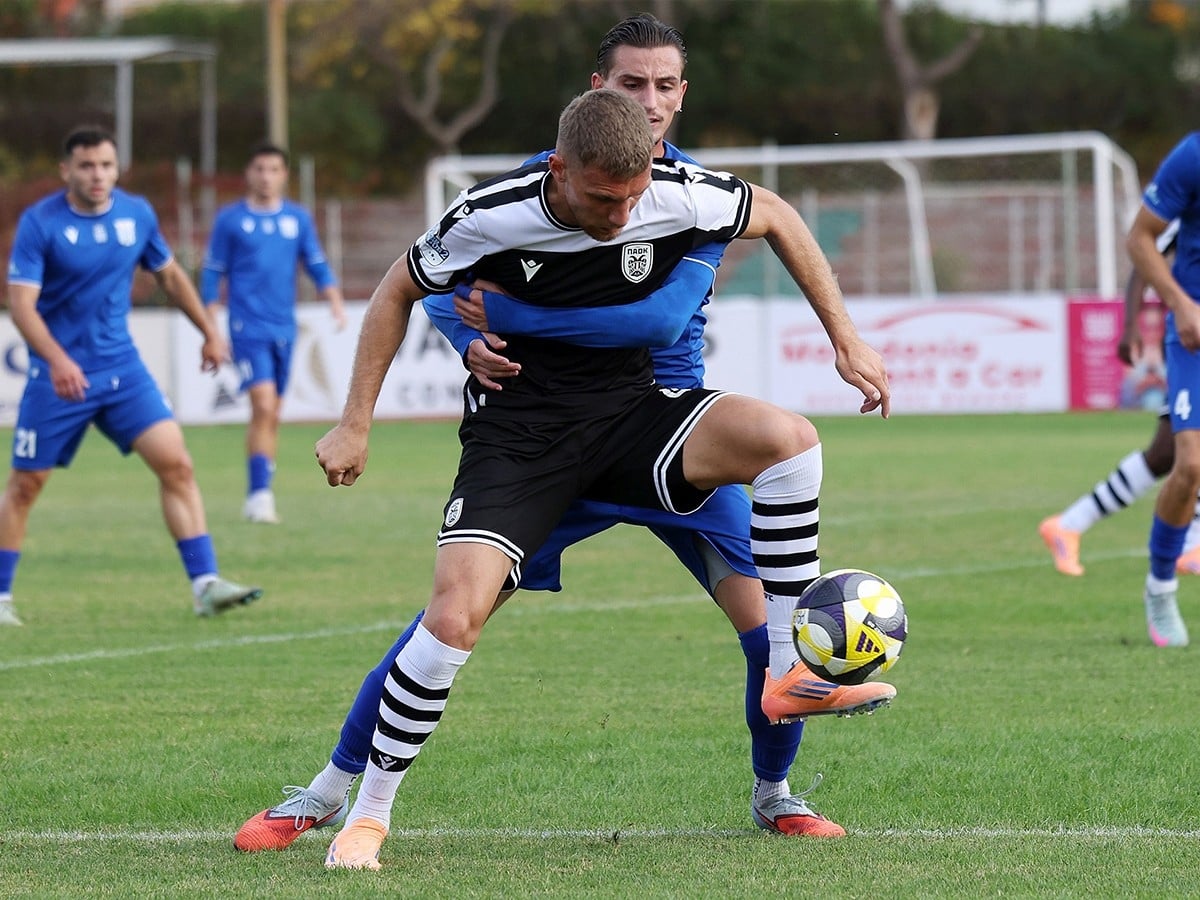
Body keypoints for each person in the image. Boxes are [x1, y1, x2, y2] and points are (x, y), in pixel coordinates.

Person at [232, 14, 892, 852]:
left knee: (765, 622)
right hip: (539, 437)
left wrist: (513, 311)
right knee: (448, 619)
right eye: (630, 85)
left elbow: (656, 317)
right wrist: (465, 335)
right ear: (596, 93)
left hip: (661, 431)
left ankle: (776, 791)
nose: (648, 102)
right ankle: (330, 792)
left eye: (663, 86)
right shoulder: (530, 191)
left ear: (681, 96)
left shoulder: (677, 191)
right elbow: (427, 281)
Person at [0, 126, 263, 627]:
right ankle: (0, 597)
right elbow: (21, 305)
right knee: (25, 486)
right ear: (66, 171)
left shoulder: (136, 213)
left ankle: (205, 584)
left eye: (105, 165)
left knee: (177, 466)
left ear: (117, 168)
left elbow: (169, 275)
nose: (97, 175)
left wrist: (209, 329)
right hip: (59, 379)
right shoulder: (41, 224)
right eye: (86, 166)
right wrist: (57, 360)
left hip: (121, 370)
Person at [1038, 219, 1200, 577]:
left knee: (1165, 453)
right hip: (1191, 345)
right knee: (1179, 452)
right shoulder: (1189, 202)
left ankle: (1069, 524)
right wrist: (1130, 326)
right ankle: (1190, 544)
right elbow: (1146, 252)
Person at [200, 141, 346, 525]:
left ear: (284, 176)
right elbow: (213, 269)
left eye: (273, 170)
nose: (266, 176)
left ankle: (262, 481)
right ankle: (258, 495)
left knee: (272, 413)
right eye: (259, 169)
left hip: (285, 327)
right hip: (247, 328)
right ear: (249, 174)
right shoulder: (231, 220)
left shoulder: (297, 219)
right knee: (263, 406)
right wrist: (210, 312)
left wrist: (332, 296)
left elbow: (314, 261)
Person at [1127, 130, 1200, 648]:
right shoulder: (1193, 155)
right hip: (1194, 332)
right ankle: (1159, 586)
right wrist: (1179, 302)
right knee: (1190, 464)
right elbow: (1140, 238)